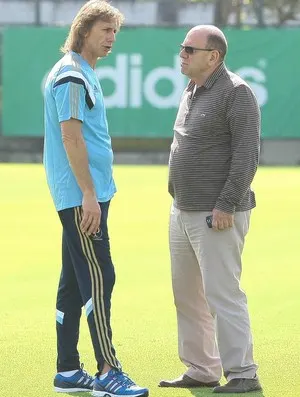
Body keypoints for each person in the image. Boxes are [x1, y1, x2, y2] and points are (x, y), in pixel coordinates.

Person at [43, 1, 149, 396]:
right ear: (83, 30)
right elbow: (70, 137)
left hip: (88, 193)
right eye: (105, 30)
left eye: (115, 32)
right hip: (80, 196)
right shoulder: (71, 75)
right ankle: (108, 370)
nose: (111, 39)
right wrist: (88, 193)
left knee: (73, 281)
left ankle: (68, 370)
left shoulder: (83, 71)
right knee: (100, 276)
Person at [159, 25, 262, 394]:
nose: (182, 54)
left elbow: (247, 156)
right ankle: (202, 368)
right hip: (183, 210)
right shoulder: (192, 89)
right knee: (186, 294)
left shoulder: (237, 92)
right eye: (182, 47)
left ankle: (244, 373)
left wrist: (225, 204)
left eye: (189, 48)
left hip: (217, 214)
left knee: (222, 293)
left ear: (213, 56)